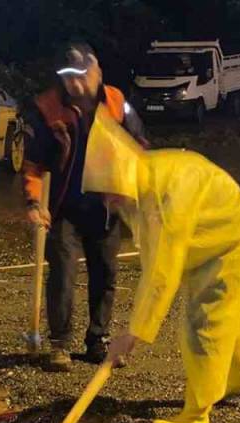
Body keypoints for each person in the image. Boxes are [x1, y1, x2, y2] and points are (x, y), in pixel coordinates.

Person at [87, 110, 240, 423]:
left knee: (205, 321)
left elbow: (160, 273)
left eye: (108, 192)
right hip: (218, 227)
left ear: (118, 177)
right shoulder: (142, 182)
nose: (107, 201)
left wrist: (131, 335)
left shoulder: (167, 193)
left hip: (224, 234)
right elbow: (154, 258)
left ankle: (197, 413)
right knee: (228, 312)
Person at [22, 41, 148, 372]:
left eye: (80, 76)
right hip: (64, 207)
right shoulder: (48, 108)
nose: (74, 85)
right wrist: (35, 203)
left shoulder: (117, 103)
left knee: (105, 273)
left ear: (96, 72)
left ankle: (98, 339)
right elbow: (34, 163)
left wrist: (135, 190)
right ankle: (59, 344)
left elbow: (140, 148)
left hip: (106, 206)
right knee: (62, 272)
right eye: (67, 78)